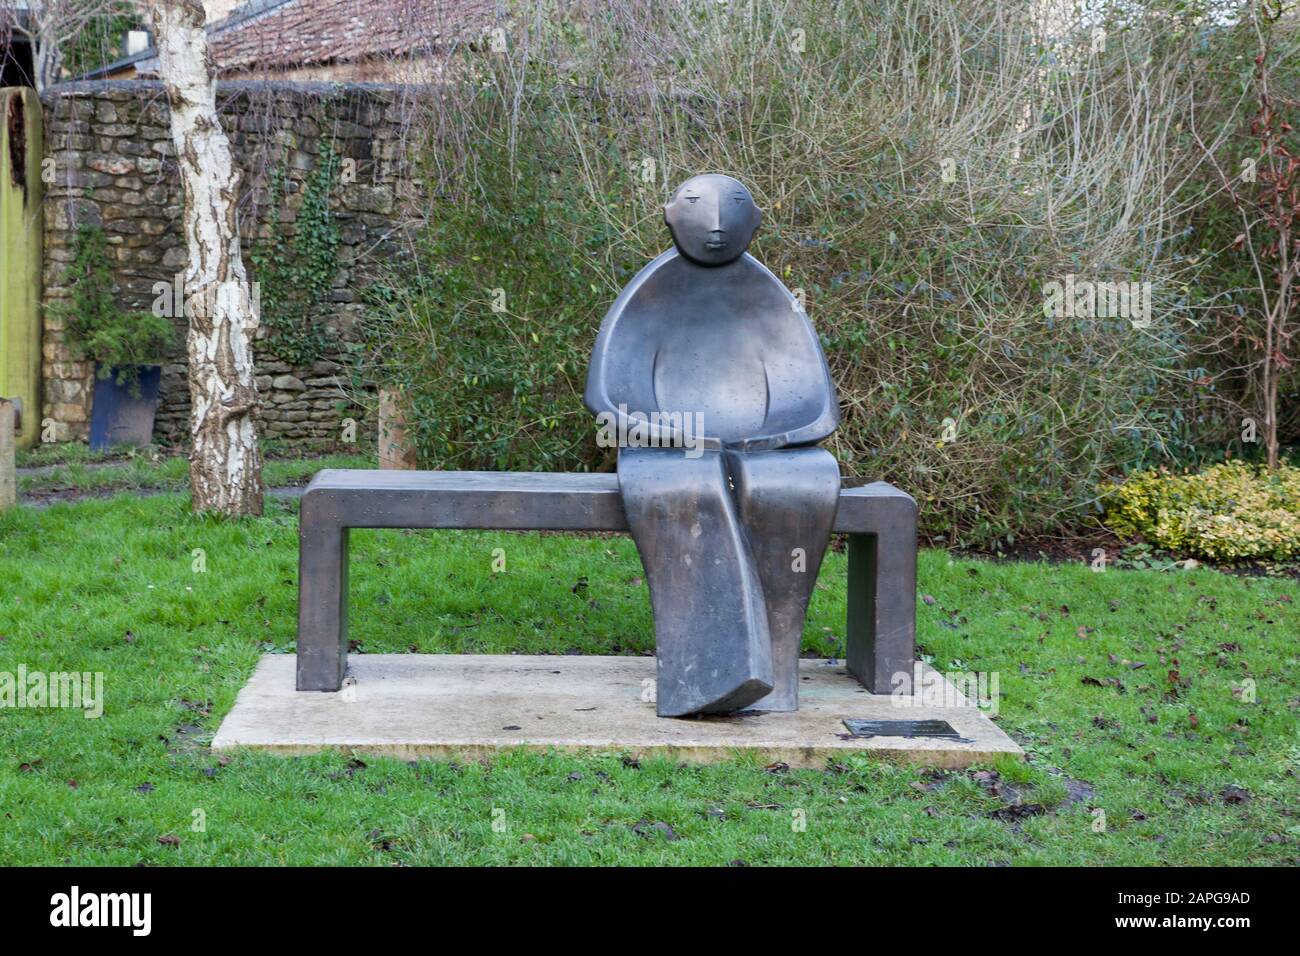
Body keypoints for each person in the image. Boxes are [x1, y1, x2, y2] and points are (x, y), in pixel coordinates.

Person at [586, 174, 841, 716]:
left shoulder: (771, 297)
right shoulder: (649, 292)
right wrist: (671, 433)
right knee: (685, 483)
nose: (718, 226)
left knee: (795, 484)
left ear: (755, 220)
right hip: (666, 443)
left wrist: (771, 434)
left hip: (761, 443)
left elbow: (816, 404)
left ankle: (772, 671)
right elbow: (609, 396)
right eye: (700, 209)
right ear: (671, 215)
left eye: (733, 211)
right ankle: (710, 674)